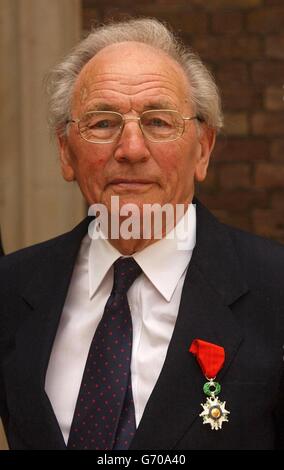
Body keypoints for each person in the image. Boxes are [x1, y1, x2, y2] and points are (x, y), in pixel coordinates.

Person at [0, 18, 283, 451]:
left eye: (158, 121)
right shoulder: (11, 288)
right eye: (102, 123)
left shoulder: (275, 291)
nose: (131, 149)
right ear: (65, 152)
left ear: (203, 149)